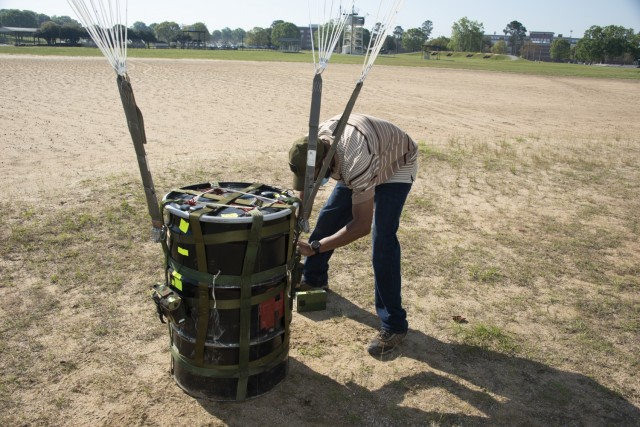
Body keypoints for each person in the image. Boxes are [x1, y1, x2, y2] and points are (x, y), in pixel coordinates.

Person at [288, 113, 418, 357]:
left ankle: (394, 324)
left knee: (382, 240)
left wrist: (316, 247)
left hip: (396, 163)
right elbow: (304, 191)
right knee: (329, 217)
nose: (313, 180)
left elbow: (361, 225)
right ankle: (315, 279)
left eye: (314, 176)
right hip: (364, 156)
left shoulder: (355, 162)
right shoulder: (310, 148)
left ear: (325, 163)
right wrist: (295, 220)